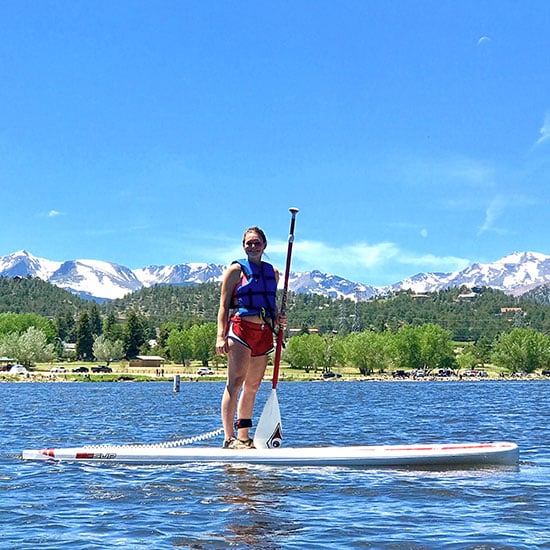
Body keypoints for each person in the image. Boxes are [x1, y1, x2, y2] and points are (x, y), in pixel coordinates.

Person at [216, 226, 287, 449]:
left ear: (264, 245)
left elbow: (271, 305)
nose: (253, 247)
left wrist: (279, 322)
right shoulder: (235, 270)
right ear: (243, 246)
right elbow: (223, 306)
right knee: (235, 383)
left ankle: (244, 437)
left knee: (253, 386)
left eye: (257, 243)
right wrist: (220, 335)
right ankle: (229, 439)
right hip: (240, 330)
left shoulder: (272, 273)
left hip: (264, 332)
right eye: (249, 243)